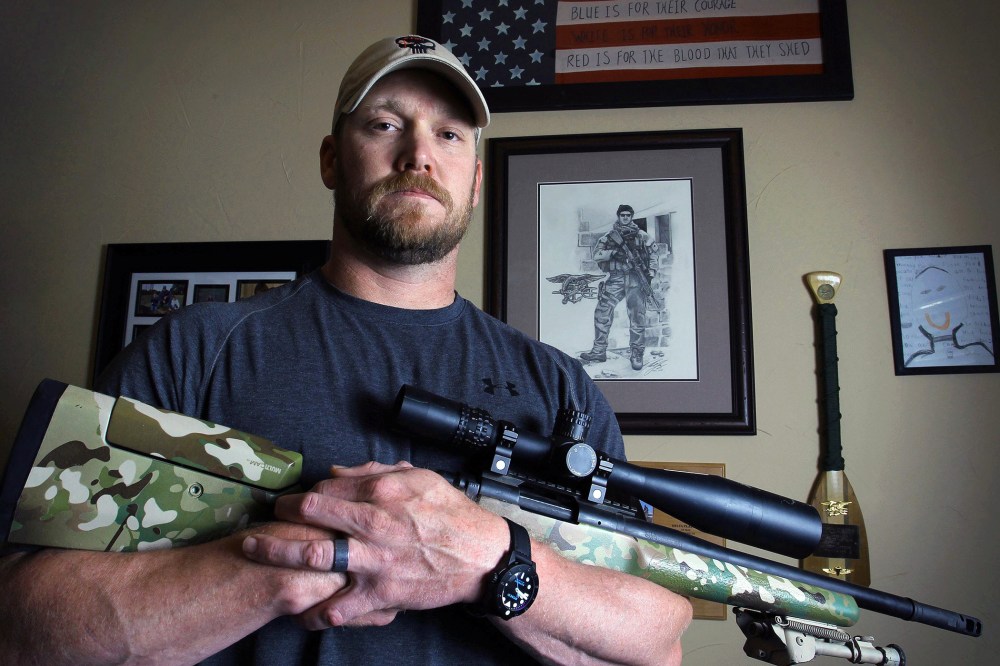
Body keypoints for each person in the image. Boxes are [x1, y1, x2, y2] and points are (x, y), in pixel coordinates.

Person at [0, 35, 691, 664]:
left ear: (475, 183)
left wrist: (488, 559)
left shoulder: (560, 389)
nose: (418, 153)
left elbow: (656, 643)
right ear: (332, 159)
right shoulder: (193, 351)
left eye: (449, 134)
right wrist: (321, 552)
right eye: (385, 124)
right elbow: (25, 629)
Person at [580, 205, 659, 371]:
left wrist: (650, 272)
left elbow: (653, 254)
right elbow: (597, 254)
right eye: (622, 215)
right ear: (618, 216)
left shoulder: (642, 236)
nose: (625, 217)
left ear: (631, 216)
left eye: (628, 215)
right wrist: (614, 253)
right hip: (616, 278)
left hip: (636, 279)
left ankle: (637, 353)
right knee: (602, 311)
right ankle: (599, 351)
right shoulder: (610, 237)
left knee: (637, 316)